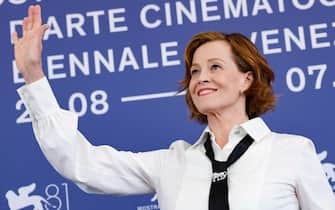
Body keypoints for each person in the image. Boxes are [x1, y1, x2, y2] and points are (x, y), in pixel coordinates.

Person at [13, 5, 335, 210]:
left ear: (246, 80)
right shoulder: (173, 162)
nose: (201, 78)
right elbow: (82, 165)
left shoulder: (293, 152)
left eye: (214, 67)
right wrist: (33, 74)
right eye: (194, 71)